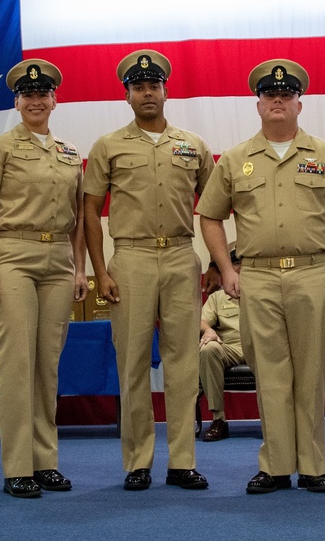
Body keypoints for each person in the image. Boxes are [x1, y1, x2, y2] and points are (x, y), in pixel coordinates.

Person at [198, 59, 325, 495]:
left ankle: (313, 466)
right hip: (255, 278)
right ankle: (275, 466)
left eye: (286, 95)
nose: (278, 100)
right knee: (270, 375)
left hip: (313, 274)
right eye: (270, 95)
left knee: (310, 374)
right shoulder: (236, 159)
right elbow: (210, 215)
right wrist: (225, 268)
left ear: (299, 103)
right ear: (258, 104)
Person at [83, 49, 215, 491]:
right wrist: (100, 271)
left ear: (165, 89)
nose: (147, 92)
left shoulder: (193, 145)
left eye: (154, 85)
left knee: (183, 362)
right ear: (127, 95)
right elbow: (88, 211)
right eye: (138, 87)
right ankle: (137, 461)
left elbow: (213, 207)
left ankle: (182, 461)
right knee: (133, 364)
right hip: (131, 260)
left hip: (180, 256)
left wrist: (217, 261)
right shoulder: (108, 146)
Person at [0, 59, 88, 498]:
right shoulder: (0, 148)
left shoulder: (71, 154)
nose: (36, 101)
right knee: (16, 364)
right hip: (13, 256)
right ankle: (17, 467)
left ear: (55, 100)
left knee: (46, 367)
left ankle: (46, 462)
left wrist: (80, 268)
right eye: (28, 95)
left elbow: (79, 219)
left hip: (58, 258)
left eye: (44, 94)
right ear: (17, 101)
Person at [198, 243, 245, 442]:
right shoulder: (218, 296)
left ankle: (277, 421)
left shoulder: (267, 292)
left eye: (244, 261)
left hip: (262, 345)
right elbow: (201, 319)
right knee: (209, 349)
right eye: (234, 262)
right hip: (232, 346)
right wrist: (209, 330)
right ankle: (219, 419)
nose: (240, 266)